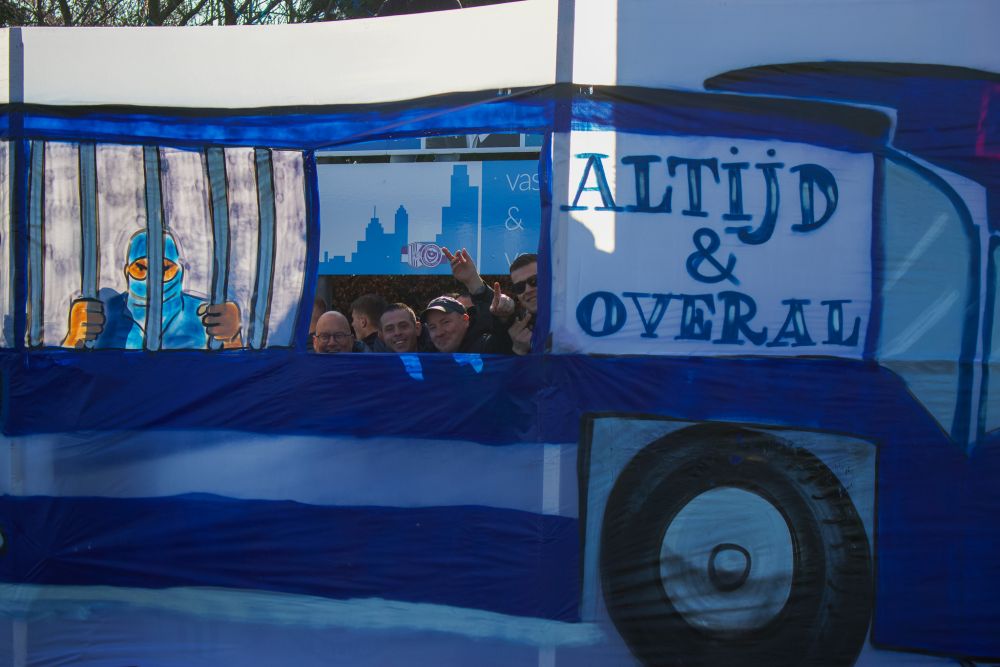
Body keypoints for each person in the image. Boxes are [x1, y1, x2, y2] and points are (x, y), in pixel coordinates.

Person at [61, 230, 241, 350]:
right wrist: (74, 338)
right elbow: (68, 378)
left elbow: (235, 377)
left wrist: (232, 338)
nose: (152, 279)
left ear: (180, 272)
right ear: (127, 272)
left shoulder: (206, 316)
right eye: (141, 268)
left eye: (164, 268)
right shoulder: (103, 314)